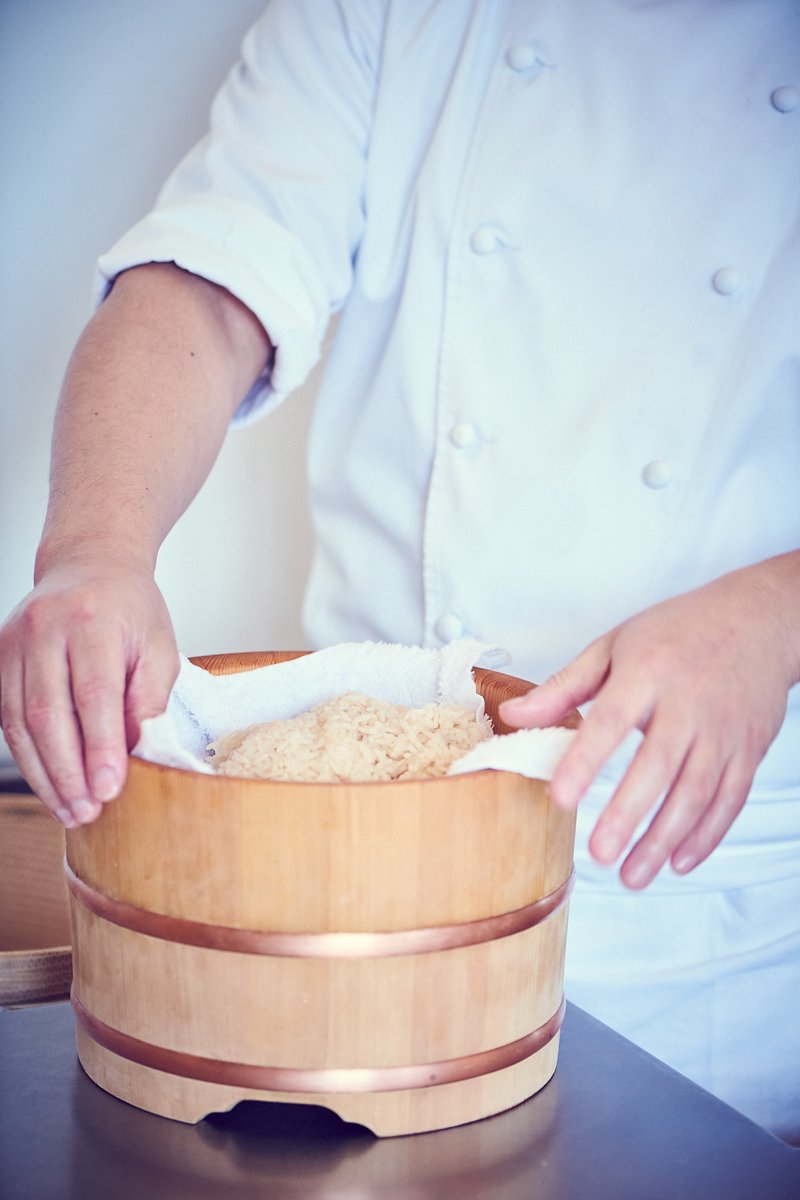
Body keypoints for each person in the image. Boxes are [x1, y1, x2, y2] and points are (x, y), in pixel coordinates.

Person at [1, 0, 798, 1141]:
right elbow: (213, 280)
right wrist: (91, 550)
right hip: (331, 890)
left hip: (713, 923)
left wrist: (776, 614)